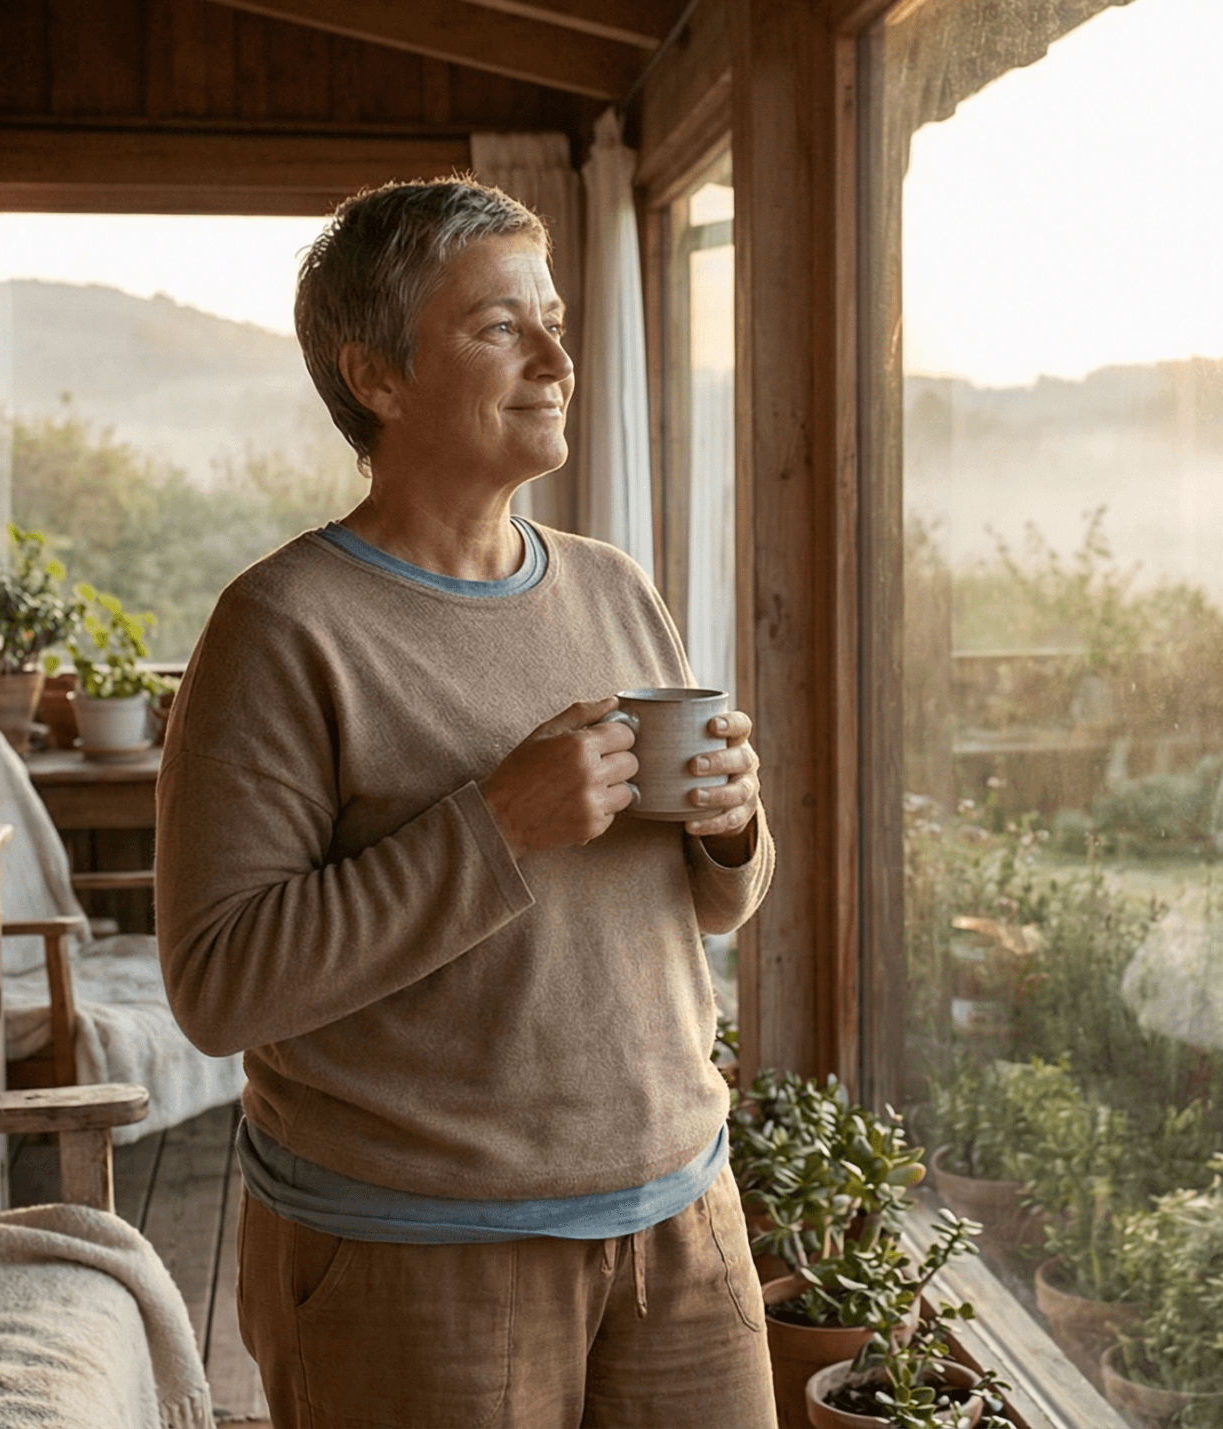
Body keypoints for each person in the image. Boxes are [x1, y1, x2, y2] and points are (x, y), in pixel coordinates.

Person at [154, 177, 776, 1429]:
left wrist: (729, 829)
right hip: (411, 1252)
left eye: (551, 318)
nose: (556, 355)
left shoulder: (612, 585)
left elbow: (707, 911)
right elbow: (218, 984)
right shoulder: (282, 628)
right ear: (375, 377)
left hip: (680, 1217)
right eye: (501, 327)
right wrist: (497, 824)